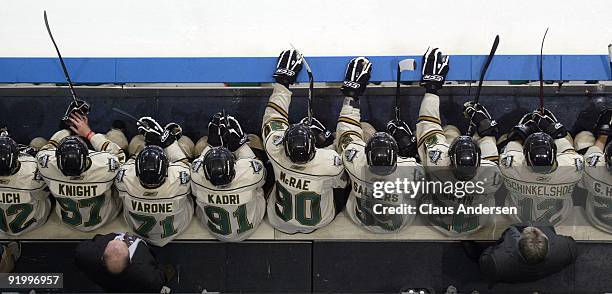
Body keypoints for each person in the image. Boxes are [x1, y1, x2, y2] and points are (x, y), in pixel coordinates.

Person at [415, 48, 502, 236]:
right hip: (476, 222)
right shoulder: (491, 176)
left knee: (450, 132)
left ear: (449, 159)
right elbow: (490, 151)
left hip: (436, 219)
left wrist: (431, 88)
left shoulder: (436, 162)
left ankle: (453, 135)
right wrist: (484, 128)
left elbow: (427, 123)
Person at [262, 49, 348, 234]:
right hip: (320, 221)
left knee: (266, 165)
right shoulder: (331, 163)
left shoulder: (275, 151)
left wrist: (283, 83)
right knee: (347, 178)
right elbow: (346, 170)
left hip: (278, 220)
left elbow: (273, 118)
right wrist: (328, 143)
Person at [335, 56, 425, 233]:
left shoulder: (355, 162)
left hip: (359, 217)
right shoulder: (412, 170)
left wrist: (351, 95)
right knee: (445, 133)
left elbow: (346, 131)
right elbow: (432, 164)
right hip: (402, 223)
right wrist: (411, 148)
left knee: (364, 129)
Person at [36, 105, 126, 231]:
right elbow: (119, 155)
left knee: (37, 143)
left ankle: (70, 128)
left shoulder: (47, 167)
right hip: (106, 218)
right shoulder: (104, 167)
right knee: (116, 139)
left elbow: (45, 150)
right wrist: (88, 133)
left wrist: (67, 131)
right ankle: (117, 131)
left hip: (68, 220)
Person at [115, 117, 193, 247]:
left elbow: (129, 163)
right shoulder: (180, 180)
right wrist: (167, 142)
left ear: (137, 172)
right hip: (179, 226)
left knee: (137, 143)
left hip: (138, 229)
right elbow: (183, 162)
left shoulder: (124, 179)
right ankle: (170, 138)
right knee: (184, 143)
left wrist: (150, 143)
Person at [500, 109, 583, 225]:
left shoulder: (510, 167)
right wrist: (553, 129)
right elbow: (567, 149)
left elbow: (514, 141)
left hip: (518, 218)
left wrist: (523, 130)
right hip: (558, 218)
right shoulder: (572, 169)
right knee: (569, 137)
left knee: (504, 138)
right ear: (554, 155)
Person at [191, 113, 267, 242]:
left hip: (214, 229)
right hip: (250, 225)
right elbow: (260, 170)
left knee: (200, 145)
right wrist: (239, 145)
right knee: (254, 141)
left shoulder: (197, 177)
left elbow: (196, 164)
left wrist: (212, 144)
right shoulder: (249, 176)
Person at [75, 232, 174, 293]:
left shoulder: (84, 254)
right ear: (130, 261)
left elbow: (90, 242)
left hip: (106, 283)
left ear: (102, 258)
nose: (121, 239)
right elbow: (157, 281)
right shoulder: (147, 276)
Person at [478, 223, 577, 284]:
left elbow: (485, 256)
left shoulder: (496, 263)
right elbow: (569, 241)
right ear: (547, 241)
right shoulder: (567, 248)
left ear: (518, 243)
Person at [0, 134, 51, 236]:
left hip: (3, 227)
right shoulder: (31, 171)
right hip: (32, 223)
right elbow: (42, 195)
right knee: (38, 143)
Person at [575, 108, 612, 232]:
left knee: (583, 138)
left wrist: (604, 133)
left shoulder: (593, 168)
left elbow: (598, 146)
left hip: (597, 221)